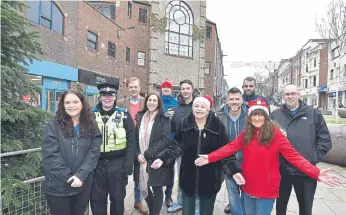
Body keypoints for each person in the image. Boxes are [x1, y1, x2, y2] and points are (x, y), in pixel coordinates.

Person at [195, 98, 342, 215]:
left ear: (266, 117)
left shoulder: (276, 134)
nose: (257, 118)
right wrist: (210, 157)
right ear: (250, 117)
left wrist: (316, 173)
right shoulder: (247, 133)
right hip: (247, 186)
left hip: (266, 189)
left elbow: (294, 157)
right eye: (254, 115)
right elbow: (231, 147)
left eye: (261, 115)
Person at [151, 96, 239, 215]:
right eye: (196, 106)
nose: (199, 109)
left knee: (206, 211)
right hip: (188, 178)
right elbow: (176, 145)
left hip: (210, 179)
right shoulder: (185, 123)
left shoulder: (217, 125)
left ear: (208, 109)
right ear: (192, 108)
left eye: (203, 107)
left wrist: (234, 171)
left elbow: (224, 150)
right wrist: (162, 158)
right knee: (187, 211)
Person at [270, 85, 332, 215]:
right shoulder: (275, 115)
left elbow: (325, 140)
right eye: (287, 94)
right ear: (283, 96)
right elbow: (268, 141)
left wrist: (313, 158)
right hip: (282, 172)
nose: (290, 97)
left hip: (306, 173)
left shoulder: (314, 114)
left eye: (293, 93)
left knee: (305, 209)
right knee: (280, 208)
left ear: (299, 95)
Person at [42, 90, 101, 215]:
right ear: (62, 105)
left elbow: (94, 152)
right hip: (58, 188)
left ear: (82, 104)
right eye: (67, 102)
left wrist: (80, 176)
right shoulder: (53, 126)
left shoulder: (91, 125)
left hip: (82, 186)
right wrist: (70, 178)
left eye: (75, 102)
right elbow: (51, 157)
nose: (71, 105)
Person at [90, 83, 136, 215]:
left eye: (110, 95)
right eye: (104, 95)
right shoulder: (91, 114)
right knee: (97, 199)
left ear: (115, 97)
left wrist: (128, 166)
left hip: (118, 163)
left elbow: (131, 141)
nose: (107, 98)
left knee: (117, 199)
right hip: (97, 164)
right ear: (100, 97)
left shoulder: (124, 114)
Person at [135, 93, 172, 215]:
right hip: (141, 159)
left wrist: (147, 154)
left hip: (156, 158)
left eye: (154, 100)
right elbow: (134, 138)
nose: (151, 102)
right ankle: (152, 210)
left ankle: (155, 212)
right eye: (149, 100)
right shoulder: (140, 116)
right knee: (143, 186)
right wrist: (137, 154)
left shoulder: (164, 117)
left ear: (158, 103)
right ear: (146, 102)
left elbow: (165, 139)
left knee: (157, 187)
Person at [117, 77, 148, 215]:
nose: (134, 89)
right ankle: (118, 201)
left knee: (138, 174)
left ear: (139, 87)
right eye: (131, 87)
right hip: (125, 143)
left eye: (136, 87)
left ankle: (138, 200)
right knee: (122, 172)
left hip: (141, 143)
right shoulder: (120, 103)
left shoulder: (146, 102)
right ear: (127, 88)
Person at [168, 79, 198, 213]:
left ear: (192, 89)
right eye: (183, 89)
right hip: (181, 149)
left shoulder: (198, 105)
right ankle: (180, 201)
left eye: (188, 88)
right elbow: (173, 129)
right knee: (182, 176)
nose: (185, 91)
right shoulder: (176, 108)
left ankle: (196, 206)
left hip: (197, 149)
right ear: (180, 91)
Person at [216, 87, 247, 215]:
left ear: (242, 100)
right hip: (229, 163)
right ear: (227, 100)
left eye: (237, 99)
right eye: (231, 99)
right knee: (233, 196)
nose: (234, 102)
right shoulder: (219, 117)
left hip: (247, 163)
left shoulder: (251, 115)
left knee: (246, 196)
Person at [159, 78, 178, 207]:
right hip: (159, 141)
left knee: (170, 170)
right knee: (158, 169)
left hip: (172, 141)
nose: (166, 89)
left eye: (168, 87)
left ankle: (168, 195)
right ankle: (157, 194)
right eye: (164, 87)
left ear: (171, 89)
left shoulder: (176, 103)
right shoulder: (157, 101)